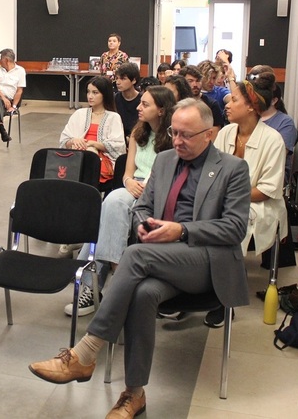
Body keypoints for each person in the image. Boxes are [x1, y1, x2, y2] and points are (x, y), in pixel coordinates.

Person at [29, 98, 251, 419]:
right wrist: (144, 225)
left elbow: (235, 228)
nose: (177, 141)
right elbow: (142, 207)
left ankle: (85, 353)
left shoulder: (232, 169)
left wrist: (181, 230)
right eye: (174, 133)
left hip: (205, 263)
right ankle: (134, 395)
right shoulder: (164, 161)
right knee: (144, 293)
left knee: (133, 255)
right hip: (160, 257)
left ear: (210, 134)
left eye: (186, 135)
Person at [68, 85, 176, 317]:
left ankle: (93, 283)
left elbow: (174, 174)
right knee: (113, 202)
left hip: (161, 189)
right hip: (134, 185)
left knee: (112, 208)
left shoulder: (174, 137)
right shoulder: (139, 134)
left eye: (145, 104)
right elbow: (128, 172)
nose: (138, 107)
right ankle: (119, 277)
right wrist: (128, 182)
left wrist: (149, 187)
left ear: (161, 110)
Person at [206, 72, 287, 327]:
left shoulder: (273, 140)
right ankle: (191, 285)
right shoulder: (226, 133)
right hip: (225, 198)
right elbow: (211, 171)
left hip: (259, 204)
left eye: (235, 100)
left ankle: (224, 299)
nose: (227, 103)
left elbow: (266, 190)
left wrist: (226, 195)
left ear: (252, 106)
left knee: (230, 222)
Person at [59, 76, 125, 193]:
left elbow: (117, 145)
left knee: (90, 155)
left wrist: (92, 144)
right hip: (77, 155)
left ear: (105, 94)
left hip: (102, 160)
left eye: (95, 93)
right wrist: (74, 140)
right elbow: (64, 140)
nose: (90, 96)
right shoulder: (79, 114)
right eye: (88, 92)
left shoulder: (113, 117)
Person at [178, 65, 225, 138]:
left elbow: (214, 136)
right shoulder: (177, 103)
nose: (195, 85)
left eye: (198, 81)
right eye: (190, 81)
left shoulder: (212, 104)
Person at [0, 48, 26, 142]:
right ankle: (2, 129)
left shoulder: (20, 71)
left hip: (9, 101)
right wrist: (2, 97)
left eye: (0, 58)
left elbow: (19, 91)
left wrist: (14, 106)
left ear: (6, 60)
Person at [113, 62, 141, 138]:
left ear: (134, 80)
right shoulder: (115, 98)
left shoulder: (142, 100)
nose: (118, 82)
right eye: (117, 78)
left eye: (123, 79)